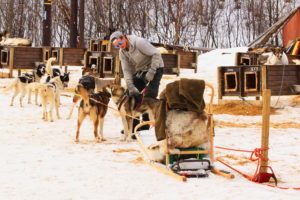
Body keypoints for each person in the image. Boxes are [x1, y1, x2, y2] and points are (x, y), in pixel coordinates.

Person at [110, 31, 164, 136]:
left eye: (120, 43)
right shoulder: (122, 52)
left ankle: (144, 128)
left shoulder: (139, 42)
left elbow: (156, 54)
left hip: (156, 67)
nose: (120, 47)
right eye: (117, 46)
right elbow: (126, 70)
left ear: (123, 37)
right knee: (130, 95)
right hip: (142, 70)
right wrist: (130, 85)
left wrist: (152, 71)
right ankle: (132, 127)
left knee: (148, 97)